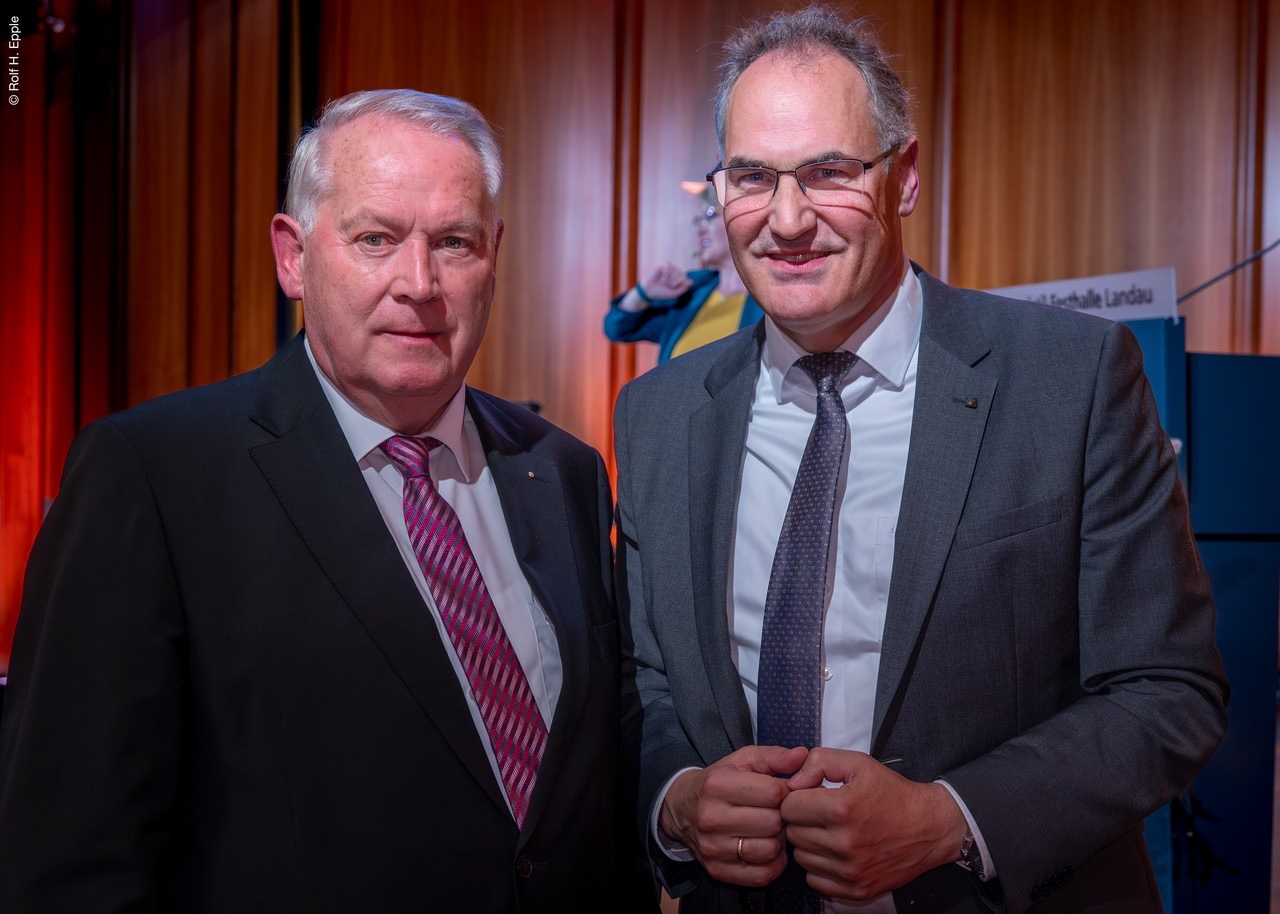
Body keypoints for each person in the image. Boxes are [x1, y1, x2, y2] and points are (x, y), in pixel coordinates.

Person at [613, 7, 1227, 914]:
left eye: (829, 172)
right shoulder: (657, 414)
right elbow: (641, 682)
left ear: (901, 177)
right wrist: (677, 798)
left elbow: (1167, 690)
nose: (787, 219)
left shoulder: (1071, 379)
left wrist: (950, 820)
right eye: (752, 177)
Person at [0, 89, 655, 914]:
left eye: (453, 242)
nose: (418, 283)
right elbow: (68, 851)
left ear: (493, 256)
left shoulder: (562, 470)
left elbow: (589, 798)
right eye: (376, 239)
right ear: (293, 256)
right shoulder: (153, 477)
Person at [606, 191, 764, 362]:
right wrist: (643, 293)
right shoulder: (691, 290)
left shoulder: (769, 295)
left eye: (709, 216)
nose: (700, 229)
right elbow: (617, 328)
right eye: (698, 221)